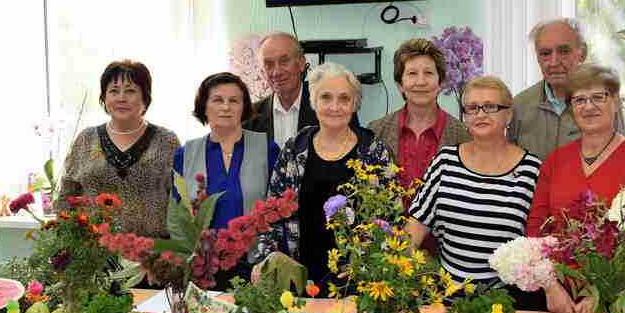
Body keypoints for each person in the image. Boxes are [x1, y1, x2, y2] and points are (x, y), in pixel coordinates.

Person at [526, 64, 625, 313]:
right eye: (579, 100)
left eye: (598, 97)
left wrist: (600, 293)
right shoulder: (555, 160)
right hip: (561, 300)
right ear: (571, 108)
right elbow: (536, 228)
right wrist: (551, 287)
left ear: (616, 102)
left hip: (620, 302)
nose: (588, 106)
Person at [406, 76, 544, 310]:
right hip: (445, 301)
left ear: (508, 114)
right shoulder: (445, 161)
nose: (480, 114)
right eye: (472, 108)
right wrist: (393, 272)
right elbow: (415, 230)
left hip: (507, 304)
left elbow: (537, 244)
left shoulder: (532, 169)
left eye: (490, 106)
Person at [254, 63, 393, 292]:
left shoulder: (374, 151)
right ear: (314, 102)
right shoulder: (293, 149)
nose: (334, 107)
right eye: (326, 97)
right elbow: (271, 214)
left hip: (358, 283)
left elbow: (389, 219)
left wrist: (369, 266)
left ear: (354, 104)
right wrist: (267, 259)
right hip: (298, 282)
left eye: (344, 98)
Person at [170, 73, 280, 288]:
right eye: (218, 100)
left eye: (234, 100)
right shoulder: (185, 154)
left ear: (244, 107)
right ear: (204, 107)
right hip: (203, 271)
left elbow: (279, 211)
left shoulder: (267, 150)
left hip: (257, 269)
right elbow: (178, 215)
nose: (226, 107)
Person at [58, 60, 181, 237]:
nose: (121, 98)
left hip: (152, 255)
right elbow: (66, 197)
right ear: (104, 98)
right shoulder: (85, 139)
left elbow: (180, 202)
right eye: (113, 91)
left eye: (130, 91)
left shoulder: (166, 140)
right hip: (93, 254)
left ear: (145, 98)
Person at [509, 18, 625, 160]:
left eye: (563, 51)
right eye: (545, 53)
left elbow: (621, 160)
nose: (554, 62)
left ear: (582, 53)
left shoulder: (604, 100)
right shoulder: (520, 106)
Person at [369, 39, 470, 193]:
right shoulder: (376, 131)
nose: (421, 82)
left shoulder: (463, 135)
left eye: (428, 73)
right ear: (400, 85)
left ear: (440, 83)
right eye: (412, 73)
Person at [243, 32, 359, 146]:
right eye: (269, 64)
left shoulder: (335, 108)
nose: (277, 72)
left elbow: (354, 158)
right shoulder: (249, 117)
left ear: (302, 63)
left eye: (284, 61)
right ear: (262, 72)